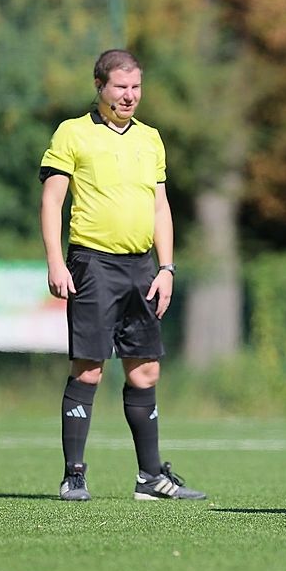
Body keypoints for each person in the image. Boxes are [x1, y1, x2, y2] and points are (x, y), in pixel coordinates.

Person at [39, 48, 206, 502]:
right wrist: (55, 260)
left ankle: (150, 478)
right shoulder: (72, 133)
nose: (130, 95)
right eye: (120, 87)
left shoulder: (150, 138)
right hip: (93, 264)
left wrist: (166, 268)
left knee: (145, 371)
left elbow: (160, 207)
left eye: (136, 87)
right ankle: (74, 475)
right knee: (89, 369)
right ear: (100, 87)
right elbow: (52, 200)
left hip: (142, 267)